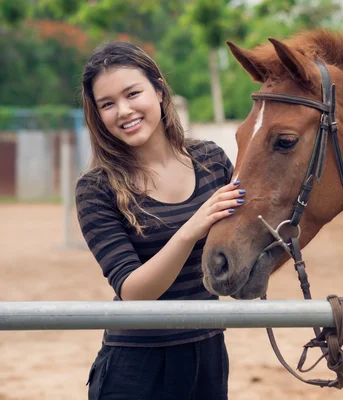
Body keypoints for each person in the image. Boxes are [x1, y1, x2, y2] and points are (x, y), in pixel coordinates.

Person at [75, 40, 242, 400]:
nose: (123, 110)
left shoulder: (211, 161)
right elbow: (134, 293)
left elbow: (250, 241)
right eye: (107, 104)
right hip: (136, 365)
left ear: (160, 91)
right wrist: (192, 228)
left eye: (132, 93)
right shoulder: (96, 188)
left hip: (209, 353)